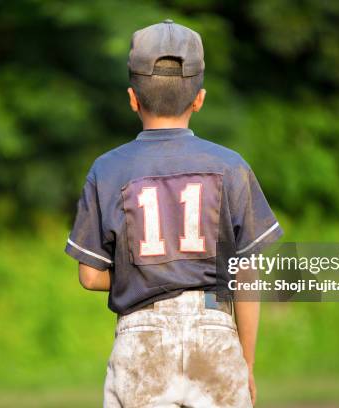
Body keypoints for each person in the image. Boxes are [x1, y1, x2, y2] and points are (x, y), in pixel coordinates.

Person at [65, 19, 282, 408]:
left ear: (133, 98)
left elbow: (90, 275)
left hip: (141, 337)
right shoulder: (230, 166)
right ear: (199, 99)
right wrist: (245, 362)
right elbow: (246, 276)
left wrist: (149, 272)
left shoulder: (107, 169)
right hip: (214, 331)